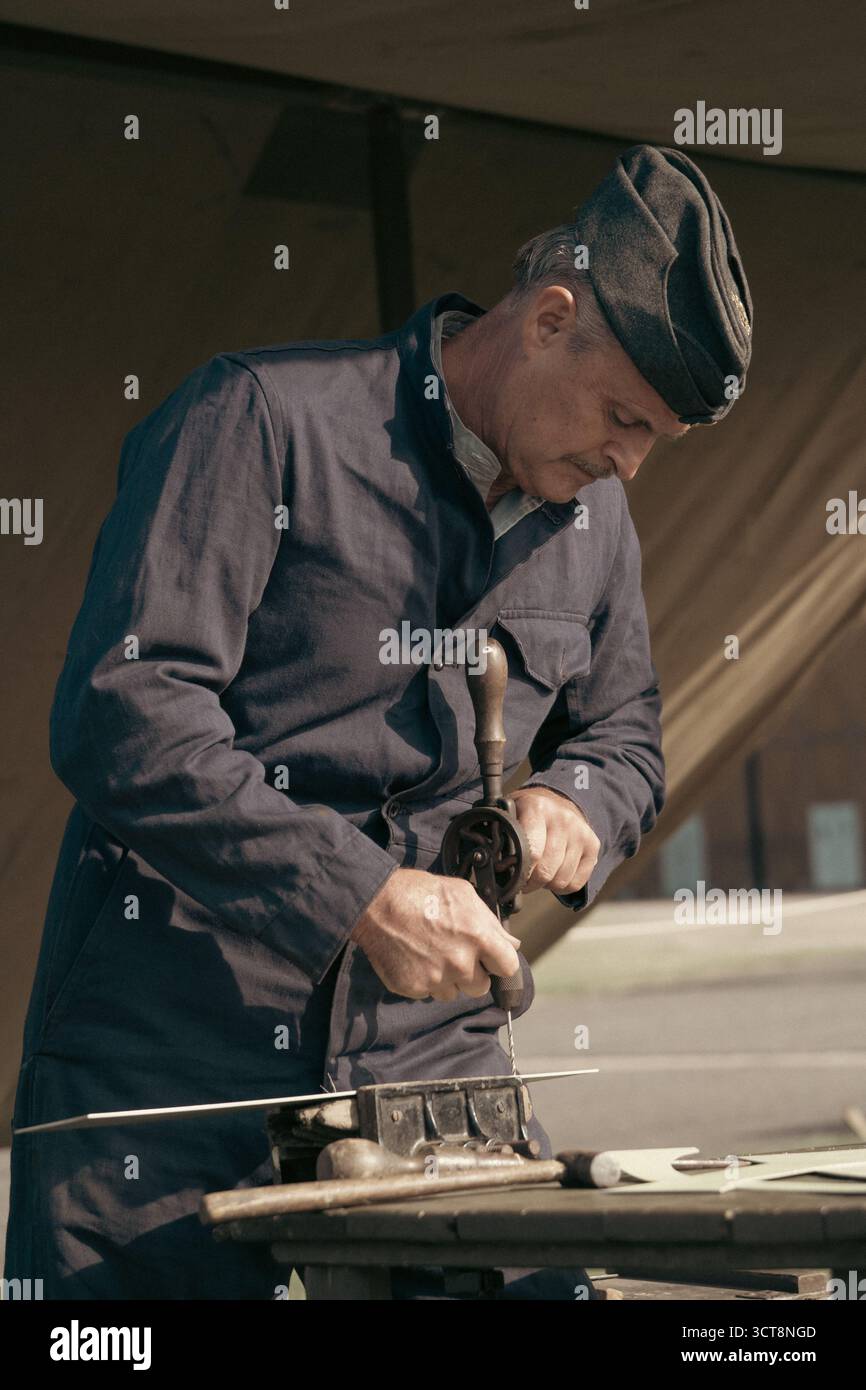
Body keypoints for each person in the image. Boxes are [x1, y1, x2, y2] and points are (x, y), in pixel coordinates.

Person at [5, 144, 751, 1300]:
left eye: (654, 439)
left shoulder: (596, 521)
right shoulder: (258, 421)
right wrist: (353, 894)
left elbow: (626, 737)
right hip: (173, 1068)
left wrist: (574, 802)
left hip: (429, 1080)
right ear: (549, 317)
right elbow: (123, 712)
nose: (628, 464)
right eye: (621, 417)